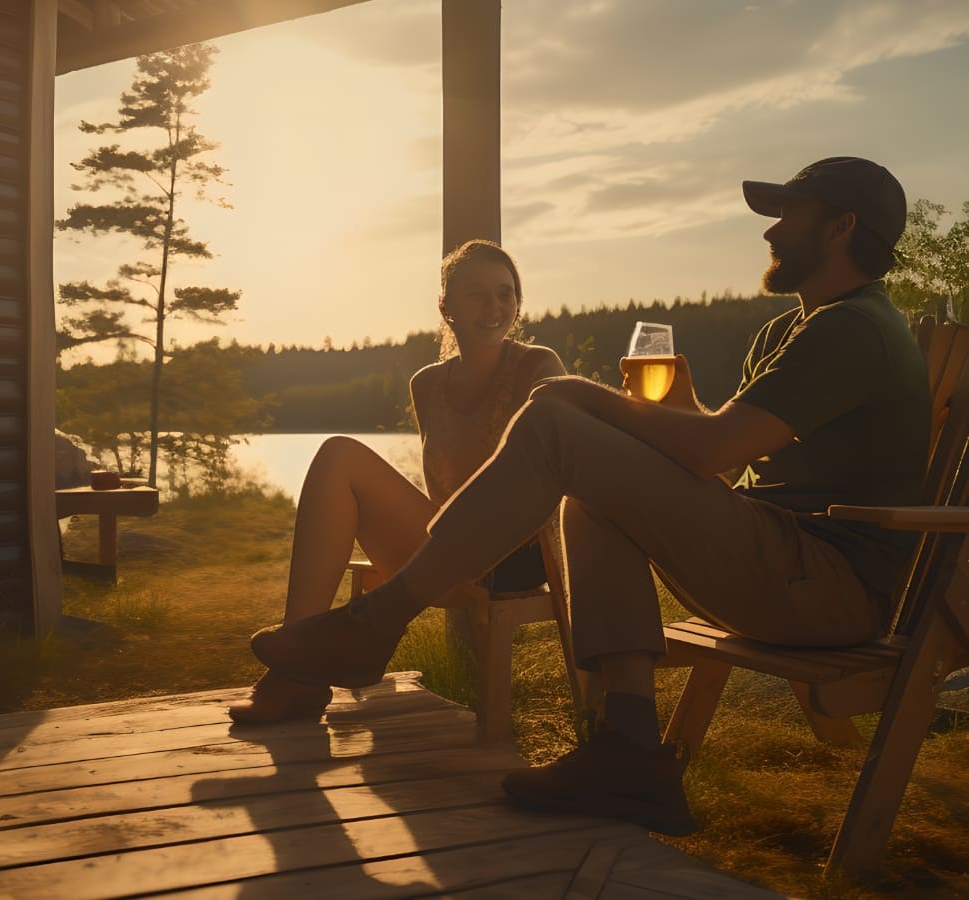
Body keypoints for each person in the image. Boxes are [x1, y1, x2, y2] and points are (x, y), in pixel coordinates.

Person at [250, 156, 931, 836]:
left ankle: (377, 621)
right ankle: (628, 750)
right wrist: (688, 411)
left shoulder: (854, 327)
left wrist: (592, 398)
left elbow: (714, 451)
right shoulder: (794, 330)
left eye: (788, 215)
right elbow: (726, 462)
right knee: (589, 496)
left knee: (555, 419)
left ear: (840, 227)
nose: (771, 232)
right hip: (781, 561)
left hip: (830, 590)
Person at [228, 239, 566, 724]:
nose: (494, 307)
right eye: (477, 294)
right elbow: (441, 488)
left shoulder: (537, 366)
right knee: (337, 457)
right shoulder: (427, 383)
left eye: (505, 293)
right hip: (447, 548)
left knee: (340, 455)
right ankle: (300, 666)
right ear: (445, 306)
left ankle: (296, 671)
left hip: (514, 553)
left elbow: (541, 482)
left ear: (518, 302)